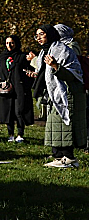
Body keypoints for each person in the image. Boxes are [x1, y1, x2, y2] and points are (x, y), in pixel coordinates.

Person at [31, 25, 86, 168]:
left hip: (67, 93)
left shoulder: (63, 50)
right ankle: (58, 156)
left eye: (41, 34)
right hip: (54, 94)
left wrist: (56, 66)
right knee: (54, 126)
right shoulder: (46, 51)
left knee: (64, 126)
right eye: (36, 35)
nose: (38, 38)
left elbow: (73, 75)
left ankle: (68, 158)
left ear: (50, 34)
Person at [0, 35, 34, 143]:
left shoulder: (22, 56)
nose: (9, 45)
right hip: (6, 89)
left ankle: (20, 134)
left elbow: (30, 69)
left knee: (19, 111)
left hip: (19, 88)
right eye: (7, 43)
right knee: (8, 111)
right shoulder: (2, 57)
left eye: (11, 43)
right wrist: (0, 79)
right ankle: (10, 134)